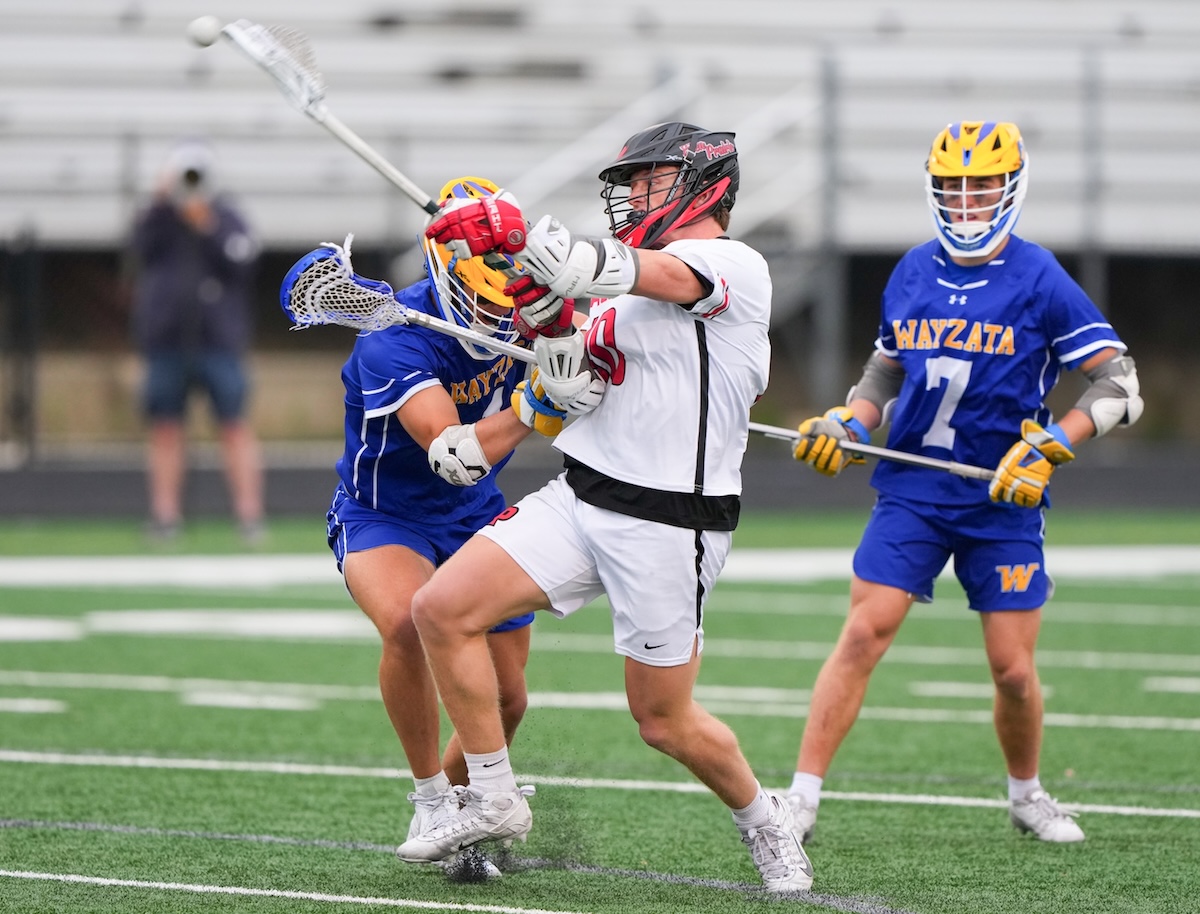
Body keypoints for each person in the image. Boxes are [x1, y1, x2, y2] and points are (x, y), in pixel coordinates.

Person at [396, 122, 815, 894]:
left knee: (663, 721)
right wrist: (545, 316)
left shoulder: (732, 264)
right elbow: (574, 365)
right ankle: (492, 796)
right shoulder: (621, 292)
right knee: (441, 608)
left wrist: (519, 234)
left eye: (651, 180)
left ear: (705, 185)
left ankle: (765, 819)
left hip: (671, 521)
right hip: (581, 493)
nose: (634, 195)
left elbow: (624, 267)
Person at [785, 120, 1143, 846]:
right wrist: (852, 424)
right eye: (954, 186)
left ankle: (1027, 794)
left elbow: (1120, 383)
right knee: (863, 634)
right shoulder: (912, 268)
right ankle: (800, 799)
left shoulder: (1039, 275)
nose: (968, 200)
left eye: (982, 185)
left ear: (1010, 187)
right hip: (913, 489)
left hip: (1001, 499)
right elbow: (888, 367)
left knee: (1012, 669)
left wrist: (1050, 446)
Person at [314, 177, 566, 877]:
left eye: (507, 295)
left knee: (508, 697)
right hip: (384, 511)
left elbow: (600, 346)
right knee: (406, 623)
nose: (498, 315)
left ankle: (464, 814)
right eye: (482, 297)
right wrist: (538, 408)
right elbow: (451, 454)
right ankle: (430, 795)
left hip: (473, 514)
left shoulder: (530, 310)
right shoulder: (393, 339)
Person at [129, 139, 265, 544]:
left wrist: (206, 225)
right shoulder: (158, 219)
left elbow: (242, 261)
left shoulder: (227, 217)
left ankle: (249, 516)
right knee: (166, 428)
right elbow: (137, 249)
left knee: (234, 426)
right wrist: (161, 201)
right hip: (168, 339)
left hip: (219, 340)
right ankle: (166, 516)